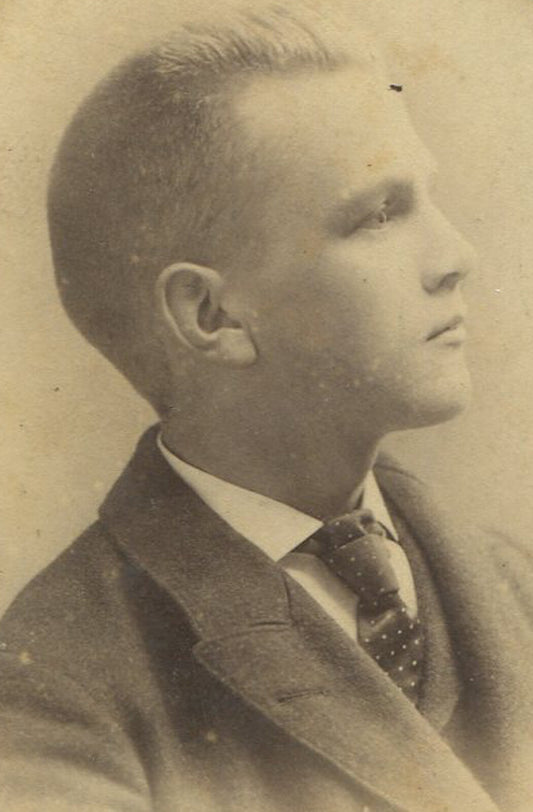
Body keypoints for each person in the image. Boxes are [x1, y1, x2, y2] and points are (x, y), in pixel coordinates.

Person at [1, 5, 532, 811]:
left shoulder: (513, 582)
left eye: (427, 197)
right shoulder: (58, 690)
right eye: (379, 215)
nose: (456, 257)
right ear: (211, 316)